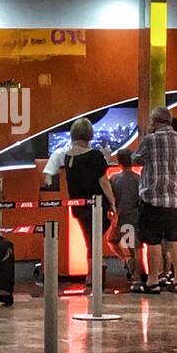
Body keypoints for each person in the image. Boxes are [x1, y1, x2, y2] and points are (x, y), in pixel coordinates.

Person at [43, 117, 115, 288]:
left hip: (78, 205)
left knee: (90, 238)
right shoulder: (95, 155)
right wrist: (113, 202)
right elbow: (103, 181)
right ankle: (95, 272)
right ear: (90, 134)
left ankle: (93, 271)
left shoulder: (67, 156)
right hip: (97, 205)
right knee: (95, 239)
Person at [132, 106, 177, 294]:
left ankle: (153, 281)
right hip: (175, 199)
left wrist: (146, 135)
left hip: (152, 199)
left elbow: (136, 159)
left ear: (155, 121)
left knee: (153, 241)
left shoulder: (150, 140)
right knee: (175, 239)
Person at [108, 147, 141, 285]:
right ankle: (137, 275)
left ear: (118, 162)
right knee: (136, 248)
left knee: (112, 241)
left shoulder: (114, 178)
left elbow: (111, 198)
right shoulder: (138, 178)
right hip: (135, 216)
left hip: (120, 218)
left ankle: (127, 261)